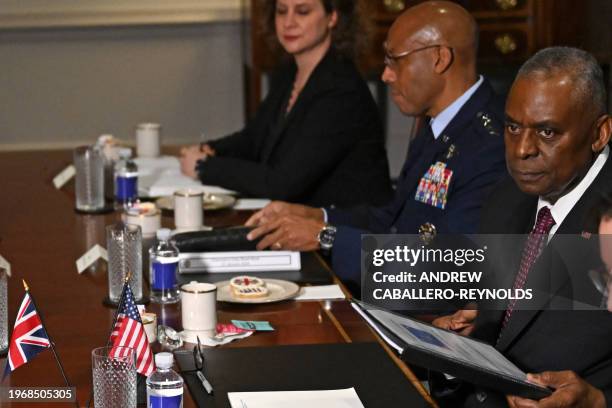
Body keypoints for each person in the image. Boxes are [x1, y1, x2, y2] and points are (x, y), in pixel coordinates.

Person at [245, 0, 507, 293]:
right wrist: (314, 216)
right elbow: (392, 220)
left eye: (395, 60)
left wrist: (326, 237)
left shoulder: (490, 145)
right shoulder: (439, 122)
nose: (386, 75)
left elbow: (449, 271)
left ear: (439, 58)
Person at [432, 47, 612, 408]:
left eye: (547, 132)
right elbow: (497, 331)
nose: (522, 149)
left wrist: (598, 402)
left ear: (599, 133)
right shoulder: (505, 199)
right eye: (513, 127)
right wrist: (455, 349)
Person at [179, 0, 392, 208]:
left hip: (352, 234)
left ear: (332, 17)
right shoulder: (292, 70)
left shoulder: (340, 90)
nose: (288, 22)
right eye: (281, 11)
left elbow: (281, 183)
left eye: (303, 11)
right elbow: (254, 139)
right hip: (305, 223)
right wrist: (211, 149)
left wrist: (204, 166)